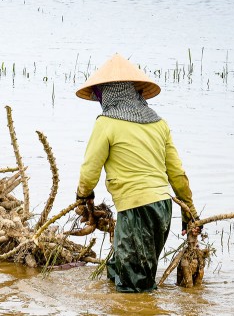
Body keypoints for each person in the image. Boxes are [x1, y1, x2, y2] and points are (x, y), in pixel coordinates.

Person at [73, 53, 196, 293]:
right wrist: (189, 210)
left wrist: (83, 196)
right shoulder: (159, 124)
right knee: (118, 269)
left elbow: (90, 169)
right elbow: (177, 174)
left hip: (136, 210)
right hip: (162, 208)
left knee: (135, 286)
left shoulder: (106, 122)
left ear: (107, 95)